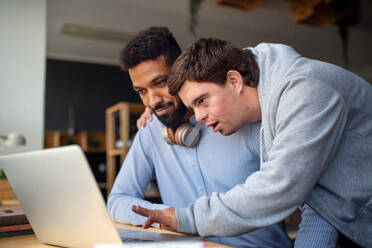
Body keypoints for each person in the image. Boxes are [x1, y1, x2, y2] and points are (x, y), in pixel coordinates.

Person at [131, 38, 372, 247]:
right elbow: (319, 201)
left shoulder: (304, 92)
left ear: (235, 81)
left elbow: (278, 188)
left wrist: (187, 218)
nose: (199, 117)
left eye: (202, 100)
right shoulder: (267, 109)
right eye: (193, 107)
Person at [108, 27, 292, 248]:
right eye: (141, 91)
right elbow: (117, 200)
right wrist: (171, 216)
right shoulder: (150, 132)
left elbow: (297, 192)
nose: (152, 101)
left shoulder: (244, 120)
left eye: (160, 83)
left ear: (179, 72)